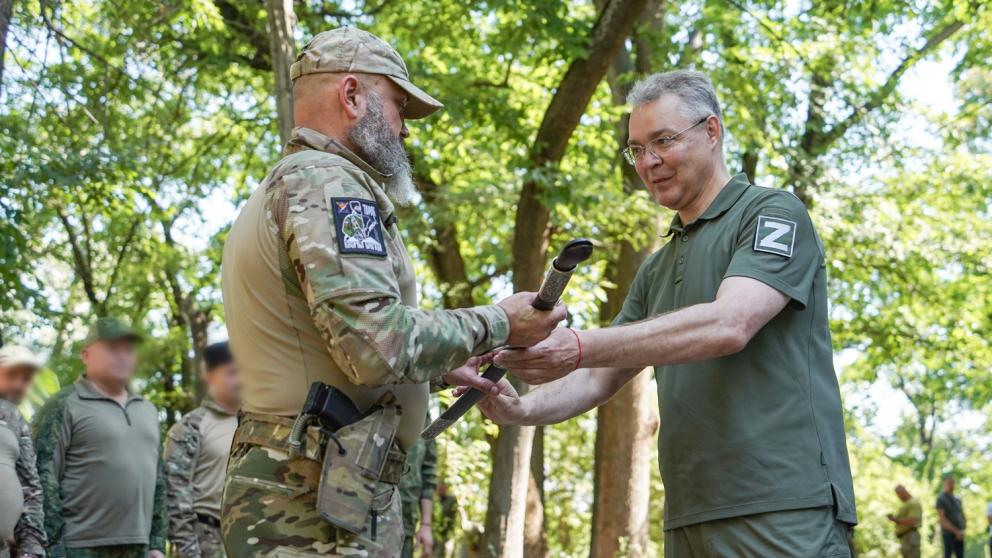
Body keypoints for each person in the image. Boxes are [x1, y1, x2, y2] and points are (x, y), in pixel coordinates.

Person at [476, 70, 857, 557]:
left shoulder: (772, 213)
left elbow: (730, 324)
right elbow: (598, 377)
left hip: (782, 509)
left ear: (712, 131)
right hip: (688, 518)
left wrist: (579, 345)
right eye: (636, 149)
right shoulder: (656, 269)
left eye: (663, 141)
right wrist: (521, 409)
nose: (648, 161)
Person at [219, 27, 565, 557]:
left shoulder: (294, 184)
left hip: (318, 492)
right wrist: (499, 322)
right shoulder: (327, 184)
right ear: (352, 95)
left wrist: (441, 367)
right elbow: (374, 345)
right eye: (399, 106)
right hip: (311, 506)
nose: (404, 129)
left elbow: (334, 342)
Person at [32, 317, 166, 558]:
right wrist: (54, 547)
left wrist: (156, 543)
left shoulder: (147, 410)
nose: (122, 356)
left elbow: (158, 479)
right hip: (79, 547)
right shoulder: (64, 405)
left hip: (139, 547)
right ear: (86, 355)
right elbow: (42, 478)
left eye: (128, 349)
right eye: (112, 348)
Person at [164, 342, 240, 558]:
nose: (240, 380)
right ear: (209, 375)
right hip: (206, 539)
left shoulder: (258, 424)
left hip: (251, 538)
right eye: (231, 372)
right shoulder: (192, 426)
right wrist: (188, 550)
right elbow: (174, 492)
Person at [0, 345, 47, 558]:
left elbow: (30, 489)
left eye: (26, 379)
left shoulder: (16, 419)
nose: (19, 385)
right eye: (12, 375)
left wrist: (31, 550)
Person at [399, 417, 437, 558]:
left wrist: (426, 525)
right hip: (359, 520)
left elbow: (428, 472)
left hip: (404, 523)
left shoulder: (424, 416)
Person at [887, 485, 921, 558]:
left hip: (910, 536)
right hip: (905, 537)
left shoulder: (913, 502)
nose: (898, 497)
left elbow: (913, 521)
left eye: (899, 494)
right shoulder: (905, 504)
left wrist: (896, 519)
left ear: (904, 492)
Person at [936, 475, 966, 558]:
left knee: (960, 555)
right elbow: (942, 519)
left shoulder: (957, 499)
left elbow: (962, 515)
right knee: (947, 554)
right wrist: (956, 532)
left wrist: (962, 530)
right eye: (948, 483)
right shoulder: (941, 499)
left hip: (960, 533)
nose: (951, 485)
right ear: (944, 484)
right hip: (948, 533)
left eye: (952, 483)